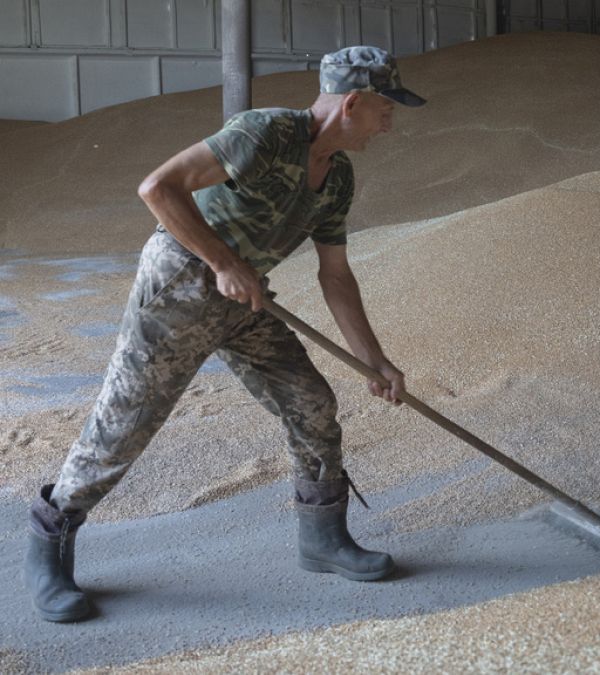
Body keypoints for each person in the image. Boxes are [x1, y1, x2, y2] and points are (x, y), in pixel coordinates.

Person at [24, 46, 425, 623]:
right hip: (180, 288)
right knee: (122, 428)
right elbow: (159, 187)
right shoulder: (265, 132)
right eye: (386, 108)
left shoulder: (336, 178)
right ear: (354, 102)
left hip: (245, 301)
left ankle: (323, 539)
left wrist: (374, 361)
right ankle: (48, 549)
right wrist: (221, 261)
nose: (391, 122)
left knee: (312, 404)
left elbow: (335, 274)